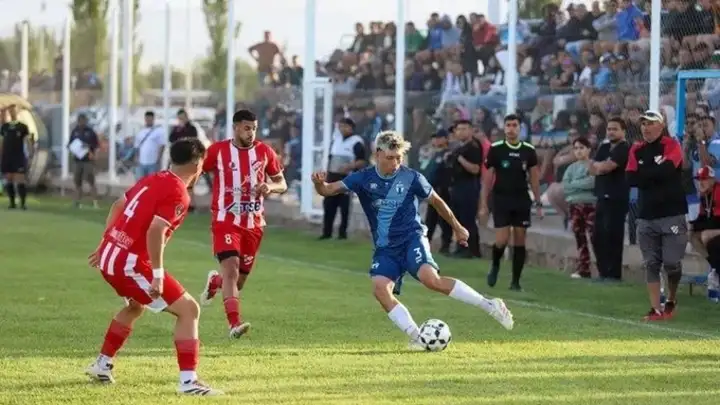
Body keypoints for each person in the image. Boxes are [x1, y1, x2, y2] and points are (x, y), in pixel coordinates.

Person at [310, 130, 514, 350]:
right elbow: (328, 190)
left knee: (430, 279)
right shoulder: (363, 178)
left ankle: (490, 305)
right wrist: (319, 184)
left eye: (399, 158)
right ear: (378, 154)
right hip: (386, 247)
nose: (396, 163)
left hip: (412, 238)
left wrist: (458, 227)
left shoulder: (412, 177)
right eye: (390, 158)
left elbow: (437, 202)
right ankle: (418, 337)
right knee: (380, 289)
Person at [85, 138, 222, 395]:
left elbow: (118, 205)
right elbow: (156, 230)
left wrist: (106, 242)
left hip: (111, 257)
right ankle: (188, 382)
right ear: (197, 164)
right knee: (189, 310)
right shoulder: (178, 191)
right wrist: (157, 275)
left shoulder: (154, 178)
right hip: (130, 264)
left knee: (135, 306)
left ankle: (102, 365)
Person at [198, 109, 287, 339]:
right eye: (247, 128)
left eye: (254, 128)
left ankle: (215, 282)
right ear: (236, 127)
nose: (251, 133)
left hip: (254, 224)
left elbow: (282, 183)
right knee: (231, 269)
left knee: (238, 281)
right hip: (225, 220)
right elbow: (196, 170)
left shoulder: (264, 151)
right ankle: (234, 324)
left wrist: (270, 187)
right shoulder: (218, 151)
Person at [626, 110, 688, 321]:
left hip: (672, 213)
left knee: (671, 263)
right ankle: (655, 309)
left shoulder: (671, 145)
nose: (646, 127)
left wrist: (645, 174)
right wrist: (655, 172)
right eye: (643, 123)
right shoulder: (636, 149)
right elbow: (630, 178)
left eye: (651, 123)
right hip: (646, 214)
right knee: (651, 263)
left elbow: (668, 170)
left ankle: (671, 298)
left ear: (661, 126)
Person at [479, 114, 542, 291]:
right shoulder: (496, 149)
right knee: (502, 239)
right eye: (508, 125)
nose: (511, 129)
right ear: (504, 128)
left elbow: (534, 178)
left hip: (521, 199)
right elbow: (488, 178)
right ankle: (495, 264)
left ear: (520, 128)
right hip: (501, 198)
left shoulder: (528, 150)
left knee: (520, 240)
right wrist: (484, 204)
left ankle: (515, 282)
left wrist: (538, 203)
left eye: (515, 125)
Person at [589, 117, 630, 281]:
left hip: (616, 197)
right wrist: (600, 166)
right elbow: (591, 168)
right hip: (601, 196)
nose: (611, 132)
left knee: (613, 236)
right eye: (609, 129)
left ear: (623, 131)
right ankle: (603, 272)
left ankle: (613, 274)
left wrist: (601, 166)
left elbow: (607, 167)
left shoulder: (624, 148)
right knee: (597, 236)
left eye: (615, 129)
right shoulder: (604, 147)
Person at [320, 117, 367, 240]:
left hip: (346, 177)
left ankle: (342, 233)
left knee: (344, 206)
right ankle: (327, 232)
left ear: (351, 127)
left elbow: (362, 161)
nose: (342, 129)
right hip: (332, 176)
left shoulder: (356, 142)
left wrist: (350, 166)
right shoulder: (336, 140)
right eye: (340, 126)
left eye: (344, 126)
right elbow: (330, 158)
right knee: (329, 204)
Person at [561, 137, 596, 279]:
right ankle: (584, 269)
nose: (579, 151)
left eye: (582, 148)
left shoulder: (593, 165)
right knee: (579, 238)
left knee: (594, 237)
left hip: (590, 205)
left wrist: (575, 183)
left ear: (589, 150)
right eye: (576, 148)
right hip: (574, 205)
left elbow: (592, 182)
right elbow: (566, 186)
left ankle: (603, 268)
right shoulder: (571, 168)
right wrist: (580, 184)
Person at [448, 119, 483, 258]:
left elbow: (475, 169)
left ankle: (472, 249)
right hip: (456, 186)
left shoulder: (473, 147)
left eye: (464, 129)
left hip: (468, 186)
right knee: (458, 219)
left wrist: (461, 159)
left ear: (471, 130)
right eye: (459, 129)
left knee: (467, 219)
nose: (461, 132)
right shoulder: (458, 148)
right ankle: (460, 247)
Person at [423, 129, 453, 254]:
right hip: (433, 191)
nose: (436, 140)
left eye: (439, 137)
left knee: (443, 219)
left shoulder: (448, 154)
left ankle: (445, 245)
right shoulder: (435, 154)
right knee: (430, 219)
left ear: (446, 139)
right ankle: (425, 243)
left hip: (443, 190)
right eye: (435, 138)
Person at [0, 104, 32, 210]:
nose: (12, 113)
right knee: (9, 179)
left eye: (14, 111)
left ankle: (23, 203)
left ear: (17, 112)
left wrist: (30, 153)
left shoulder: (22, 126)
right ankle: (12, 203)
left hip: (18, 156)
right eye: (10, 111)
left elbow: (27, 141)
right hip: (7, 156)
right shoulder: (5, 127)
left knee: (20, 179)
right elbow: (2, 142)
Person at [68, 113, 100, 208]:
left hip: (87, 160)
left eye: (83, 120)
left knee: (90, 180)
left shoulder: (90, 132)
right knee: (77, 181)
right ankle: (77, 201)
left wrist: (89, 148)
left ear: (85, 121)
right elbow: (70, 143)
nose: (81, 122)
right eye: (80, 120)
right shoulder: (75, 131)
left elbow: (96, 145)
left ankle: (95, 202)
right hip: (77, 160)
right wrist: (72, 148)